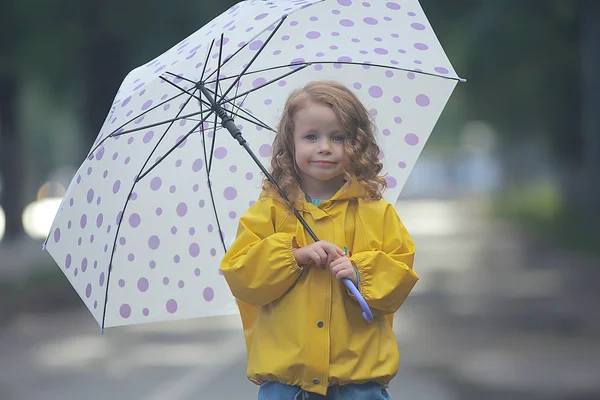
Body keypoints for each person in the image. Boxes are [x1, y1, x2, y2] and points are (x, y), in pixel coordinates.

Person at [220, 81, 419, 399]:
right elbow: (241, 276)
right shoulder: (271, 211)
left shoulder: (375, 212)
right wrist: (293, 256)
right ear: (290, 142)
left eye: (337, 137)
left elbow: (400, 272)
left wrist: (359, 273)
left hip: (358, 384)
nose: (324, 146)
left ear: (357, 142)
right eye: (311, 136)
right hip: (287, 386)